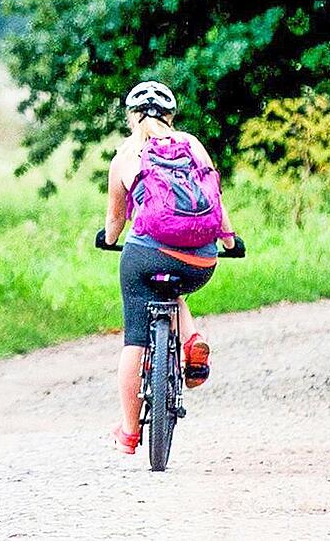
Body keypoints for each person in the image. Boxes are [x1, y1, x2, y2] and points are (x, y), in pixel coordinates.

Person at [97, 81, 244, 455]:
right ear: (171, 116)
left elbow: (115, 224)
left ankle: (129, 432)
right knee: (174, 287)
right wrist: (229, 242)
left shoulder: (125, 157)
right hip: (201, 259)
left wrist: (109, 239)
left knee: (134, 338)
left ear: (131, 117)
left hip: (147, 255)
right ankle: (190, 341)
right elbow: (215, 198)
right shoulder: (192, 145)